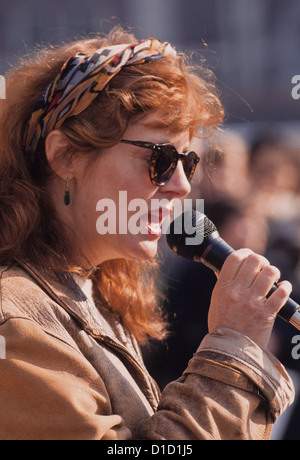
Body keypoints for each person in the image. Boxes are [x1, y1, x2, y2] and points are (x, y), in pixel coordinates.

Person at [0, 26, 294, 440]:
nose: (182, 185)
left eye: (188, 162)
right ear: (65, 155)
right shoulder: (15, 322)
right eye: (160, 158)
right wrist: (230, 357)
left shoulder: (90, 293)